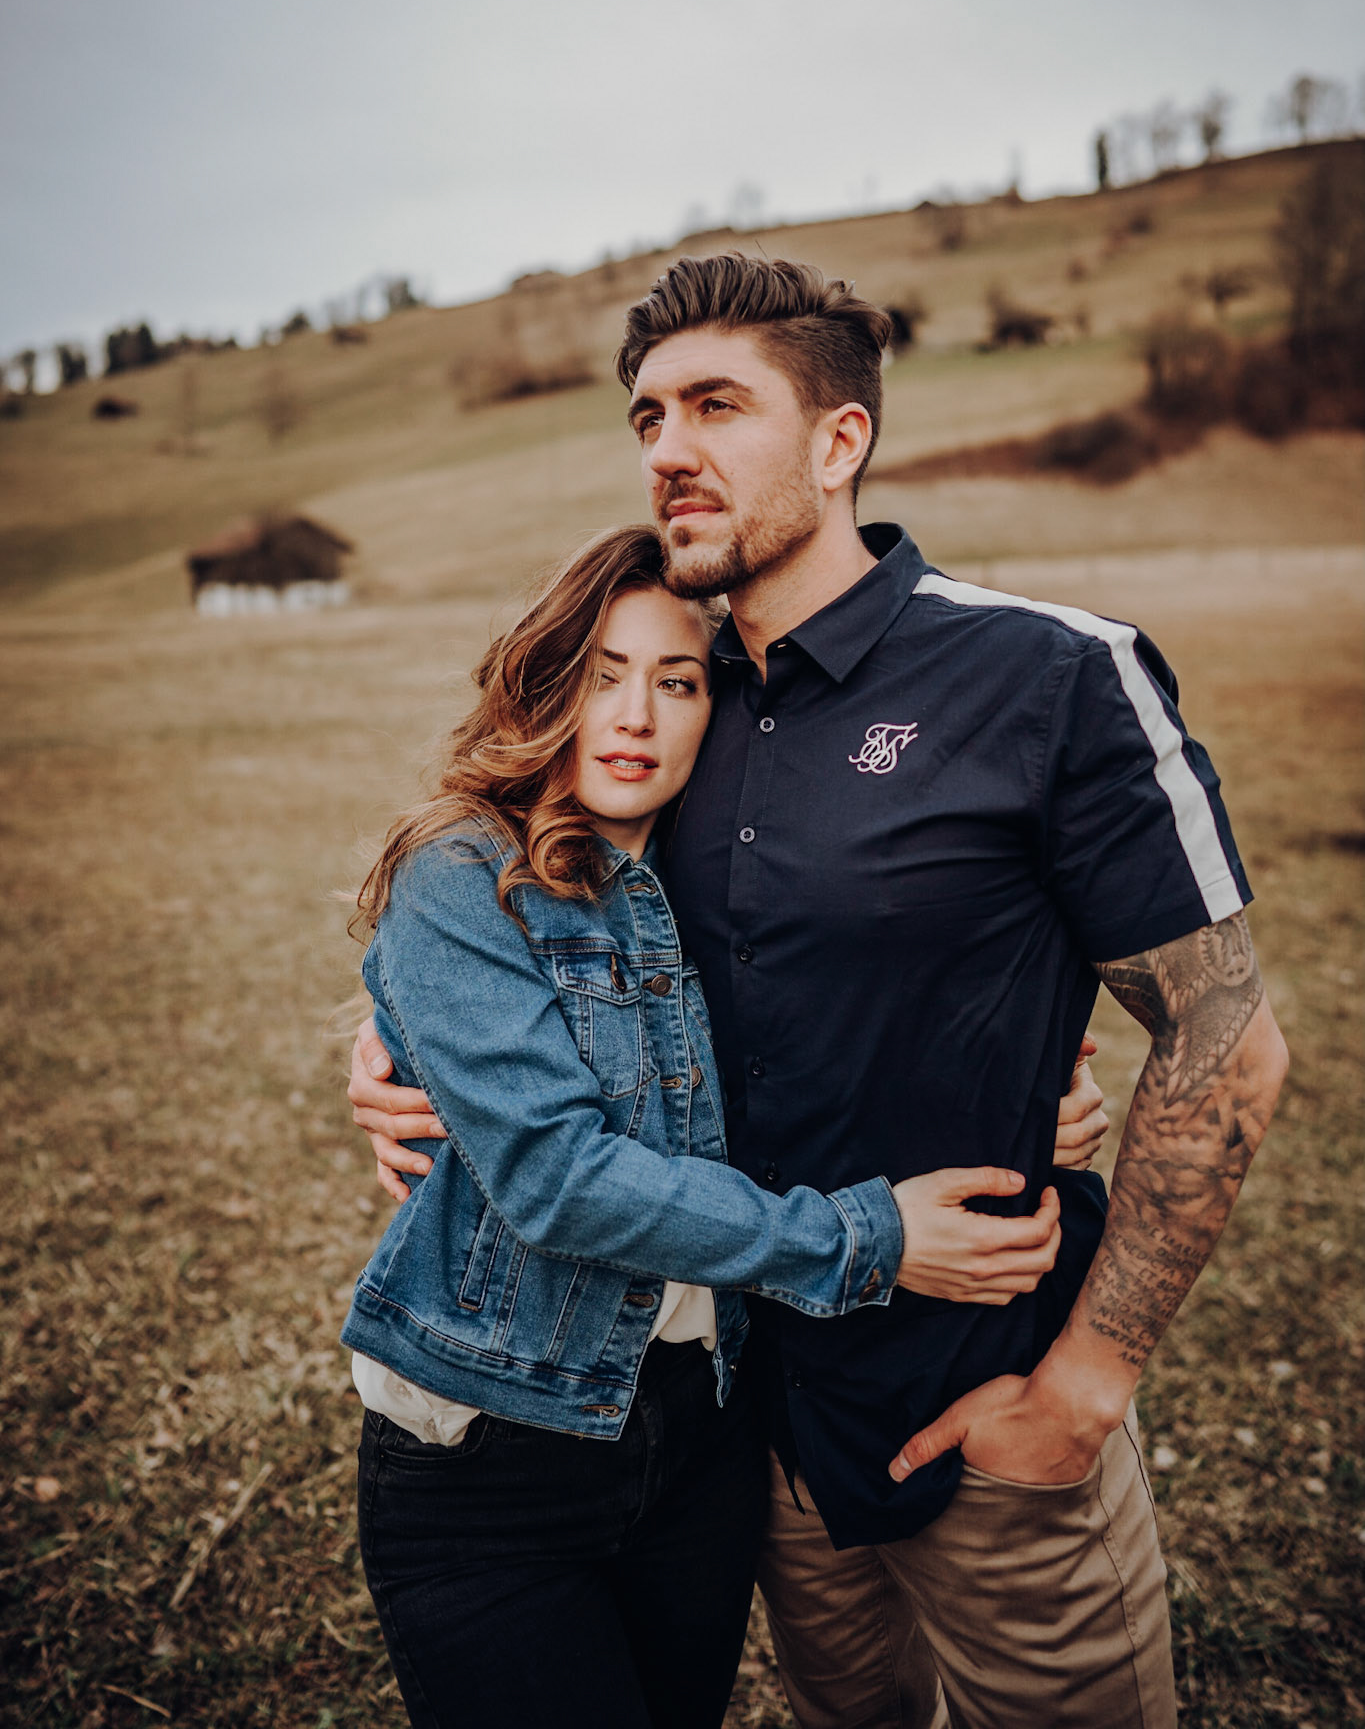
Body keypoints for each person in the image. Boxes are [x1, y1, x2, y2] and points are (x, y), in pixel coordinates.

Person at [350, 251, 1288, 1729]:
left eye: (717, 406)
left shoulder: (1047, 677)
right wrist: (396, 1047)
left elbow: (1225, 1038)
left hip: (984, 1410)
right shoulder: (684, 699)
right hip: (744, 1431)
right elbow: (542, 920)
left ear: (841, 439)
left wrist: (1090, 1379)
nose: (669, 448)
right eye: (649, 415)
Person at [342, 521, 1104, 1729]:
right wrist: (871, 1237)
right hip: (497, 1448)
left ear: (724, 707)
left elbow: (843, 1040)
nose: (635, 715)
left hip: (705, 1439)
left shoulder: (727, 883)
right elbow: (556, 1176)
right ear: (546, 684)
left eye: (678, 680)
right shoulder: (464, 874)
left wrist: (1020, 1101)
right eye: (602, 674)